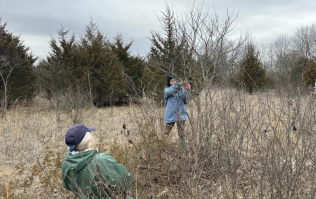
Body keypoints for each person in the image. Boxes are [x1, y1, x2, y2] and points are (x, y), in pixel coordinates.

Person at [62, 124, 132, 199]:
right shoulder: (101, 160)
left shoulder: (66, 164)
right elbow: (124, 182)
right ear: (89, 142)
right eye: (91, 136)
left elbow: (67, 185)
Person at [164, 74, 191, 146]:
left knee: (182, 134)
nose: (173, 82)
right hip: (171, 113)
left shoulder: (181, 90)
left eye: (174, 80)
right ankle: (162, 145)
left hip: (181, 113)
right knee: (166, 132)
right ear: (169, 83)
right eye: (171, 81)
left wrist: (188, 88)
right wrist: (180, 84)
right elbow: (172, 89)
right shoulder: (167, 90)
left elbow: (187, 97)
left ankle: (182, 148)